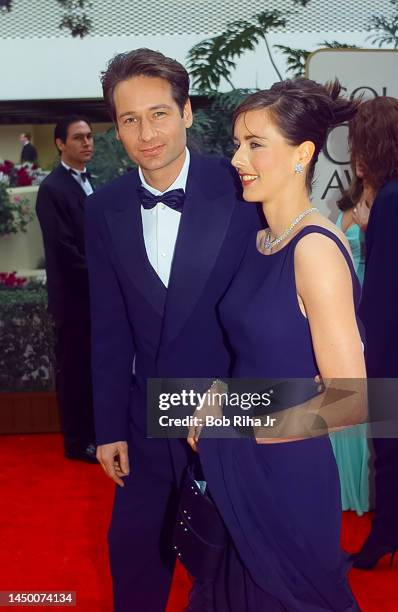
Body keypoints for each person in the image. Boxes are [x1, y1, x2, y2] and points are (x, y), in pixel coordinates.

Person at [84, 48, 259, 611]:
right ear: (117, 128)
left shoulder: (240, 189)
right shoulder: (104, 207)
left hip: (229, 419)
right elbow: (108, 325)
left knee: (232, 573)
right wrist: (108, 426)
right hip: (147, 423)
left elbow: (264, 311)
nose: (146, 133)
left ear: (186, 113)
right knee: (134, 562)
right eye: (130, 119)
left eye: (159, 113)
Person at [188, 78, 365, 611]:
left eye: (255, 143)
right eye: (237, 143)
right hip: (241, 468)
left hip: (285, 478)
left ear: (302, 154)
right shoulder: (261, 239)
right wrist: (221, 397)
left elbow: (353, 400)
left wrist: (236, 431)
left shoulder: (315, 249)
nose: (237, 157)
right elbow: (256, 356)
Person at [348, 96, 398, 570]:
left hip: (391, 351)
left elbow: (382, 293)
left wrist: (371, 361)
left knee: (389, 452)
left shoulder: (389, 201)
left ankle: (383, 537)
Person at [36, 116, 96, 463]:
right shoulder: (52, 189)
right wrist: (104, 275)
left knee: (92, 369)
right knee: (74, 371)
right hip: (73, 300)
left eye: (89, 137)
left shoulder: (90, 182)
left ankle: (94, 434)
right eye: (78, 138)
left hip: (92, 299)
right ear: (60, 144)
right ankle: (76, 442)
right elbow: (64, 251)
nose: (87, 143)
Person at [329, 178, 370, 516]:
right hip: (345, 303)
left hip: (373, 303)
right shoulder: (349, 203)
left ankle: (363, 491)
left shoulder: (385, 202)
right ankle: (344, 487)